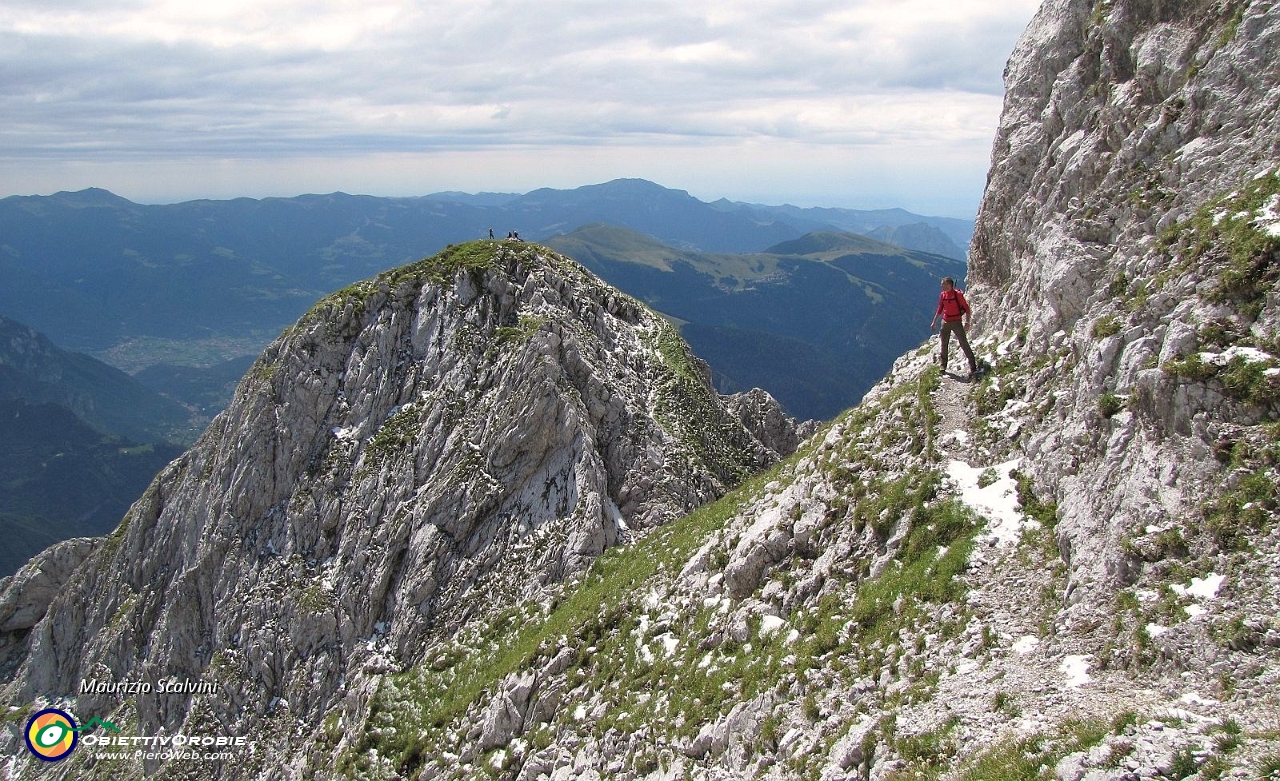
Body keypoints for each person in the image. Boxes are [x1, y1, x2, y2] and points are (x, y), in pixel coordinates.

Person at [930, 277, 979, 377]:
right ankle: (943, 366)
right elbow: (940, 309)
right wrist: (934, 322)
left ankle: (973, 365)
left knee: (963, 343)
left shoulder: (958, 295)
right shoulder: (943, 295)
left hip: (956, 321)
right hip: (946, 321)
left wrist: (967, 322)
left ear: (949, 284)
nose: (941, 286)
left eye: (943, 284)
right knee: (944, 344)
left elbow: (967, 308)